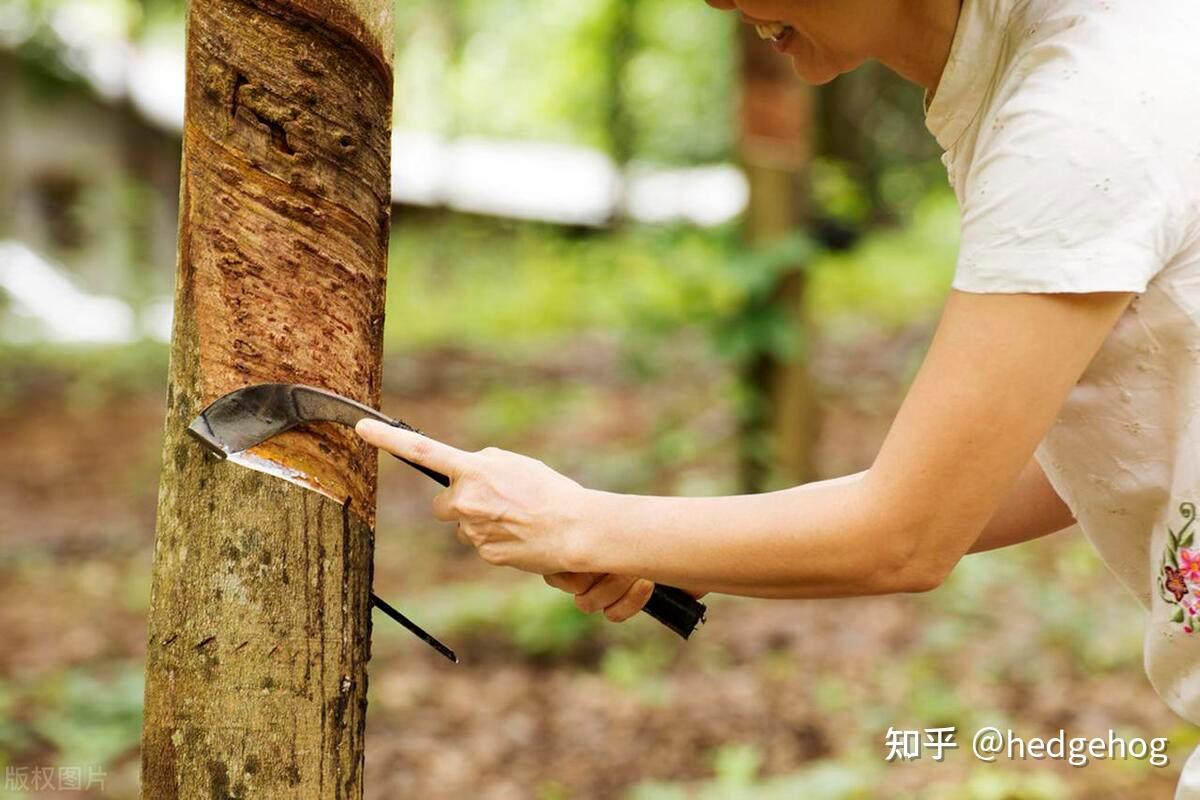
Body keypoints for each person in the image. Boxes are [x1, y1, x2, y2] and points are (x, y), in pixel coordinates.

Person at [359, 0, 1200, 793]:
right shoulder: (1077, 64)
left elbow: (909, 536)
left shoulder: (1077, 116)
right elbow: (1082, 454)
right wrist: (689, 545)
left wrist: (579, 521)